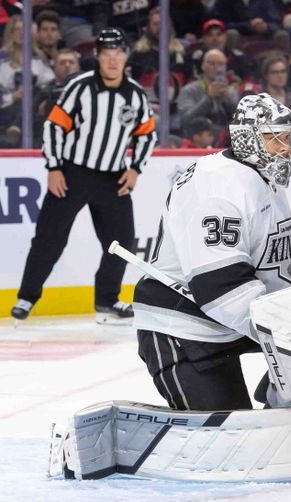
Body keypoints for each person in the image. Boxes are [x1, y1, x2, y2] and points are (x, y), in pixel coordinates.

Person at [133, 92, 291, 412]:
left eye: (287, 138)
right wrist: (287, 324)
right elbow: (220, 289)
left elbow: (269, 260)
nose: (285, 148)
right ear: (247, 139)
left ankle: (287, 407)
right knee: (232, 444)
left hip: (219, 323)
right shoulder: (219, 187)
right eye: (274, 139)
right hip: (181, 331)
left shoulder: (260, 178)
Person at [11, 28, 156, 323]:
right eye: (107, 54)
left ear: (125, 56)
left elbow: (146, 134)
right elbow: (54, 126)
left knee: (122, 242)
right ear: (98, 57)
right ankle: (27, 297)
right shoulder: (81, 87)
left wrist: (135, 167)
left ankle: (106, 300)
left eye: (118, 54)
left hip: (113, 178)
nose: (113, 60)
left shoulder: (135, 94)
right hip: (72, 174)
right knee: (49, 239)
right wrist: (53, 166)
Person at [177, 49, 238, 144]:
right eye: (211, 63)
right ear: (203, 66)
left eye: (220, 64)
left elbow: (240, 120)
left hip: (226, 140)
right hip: (197, 141)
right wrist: (208, 99)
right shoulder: (189, 90)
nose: (216, 67)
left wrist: (228, 101)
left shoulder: (231, 91)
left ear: (225, 67)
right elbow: (186, 120)